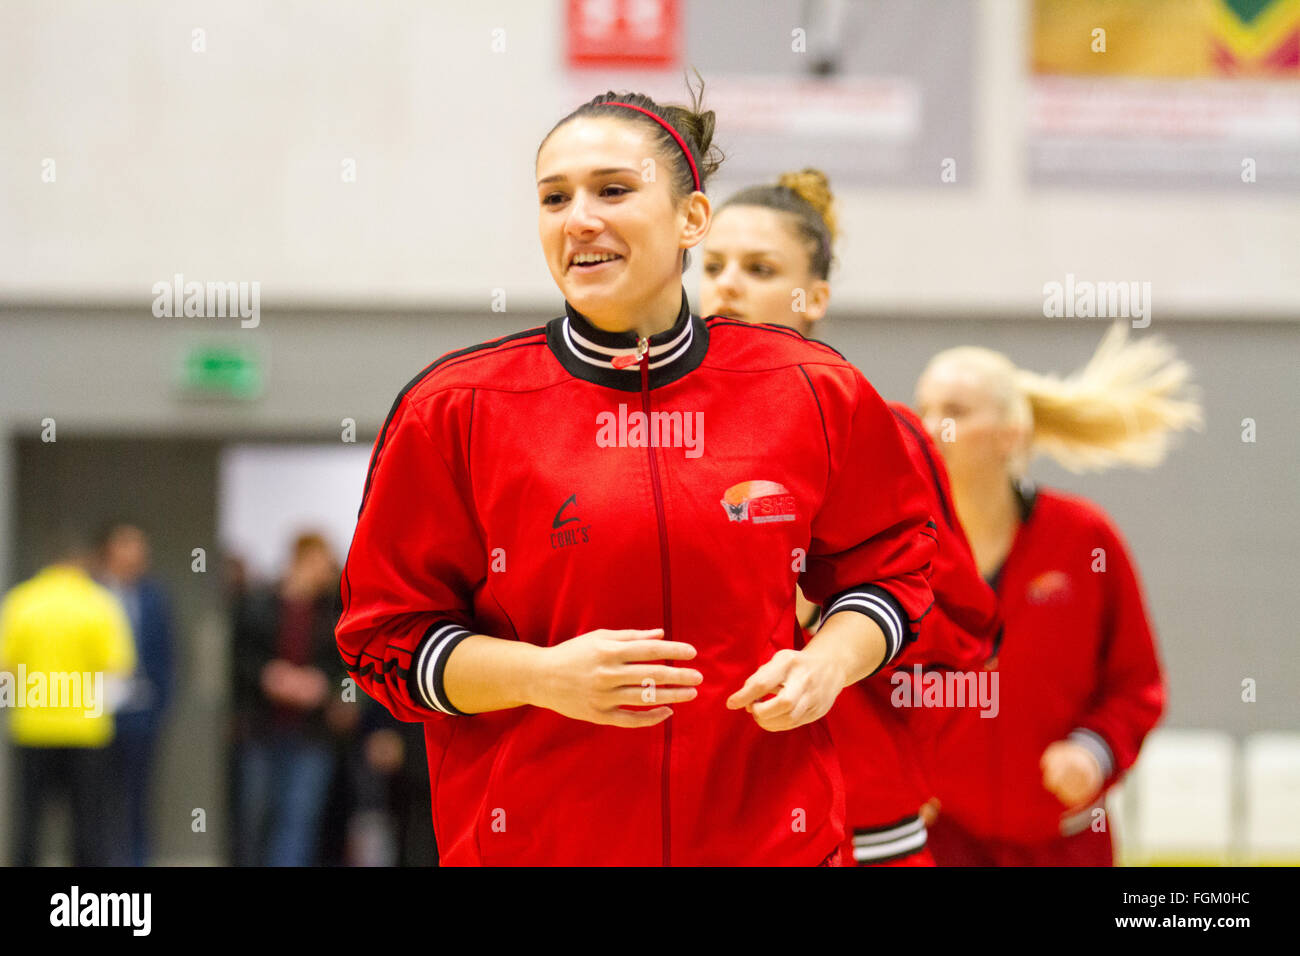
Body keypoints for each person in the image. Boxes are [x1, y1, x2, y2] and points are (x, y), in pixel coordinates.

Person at [335, 82, 937, 866]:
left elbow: (894, 571)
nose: (579, 217)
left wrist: (828, 661)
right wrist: (543, 676)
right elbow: (384, 641)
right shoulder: (455, 407)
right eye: (555, 198)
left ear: (692, 219)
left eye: (613, 190)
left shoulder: (811, 388)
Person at [699, 168, 1001, 866]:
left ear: (815, 297)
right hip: (699, 822)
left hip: (855, 823)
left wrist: (838, 614)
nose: (727, 285)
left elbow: (963, 634)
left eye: (759, 268)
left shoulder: (878, 434)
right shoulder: (650, 431)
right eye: (712, 265)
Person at [913, 323, 1200, 865]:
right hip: (937, 843)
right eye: (923, 408)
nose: (930, 427)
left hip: (1065, 843)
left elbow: (1136, 681)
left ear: (1011, 434)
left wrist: (1095, 751)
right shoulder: (900, 548)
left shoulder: (1084, 537)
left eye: (954, 411)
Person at [0, 533, 136, 866]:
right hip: (86, 732)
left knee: (29, 822)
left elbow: (5, 670)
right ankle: (83, 906)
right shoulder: (98, 604)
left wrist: (13, 706)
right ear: (81, 565)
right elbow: (119, 671)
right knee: (88, 824)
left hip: (33, 728)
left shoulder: (21, 601)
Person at [232, 532, 352, 866]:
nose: (325, 572)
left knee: (299, 818)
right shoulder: (257, 602)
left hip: (312, 732)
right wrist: (267, 676)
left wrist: (323, 686)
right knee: (253, 816)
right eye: (319, 562)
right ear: (299, 559)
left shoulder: (334, 612)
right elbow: (237, 657)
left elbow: (349, 669)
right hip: (259, 728)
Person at [96, 521, 175, 867]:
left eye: (140, 546)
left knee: (137, 800)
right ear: (109, 550)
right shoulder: (91, 594)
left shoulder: (154, 597)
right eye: (127, 545)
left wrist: (160, 705)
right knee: (96, 800)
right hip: (94, 714)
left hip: (141, 713)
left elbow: (168, 655)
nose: (136, 554)